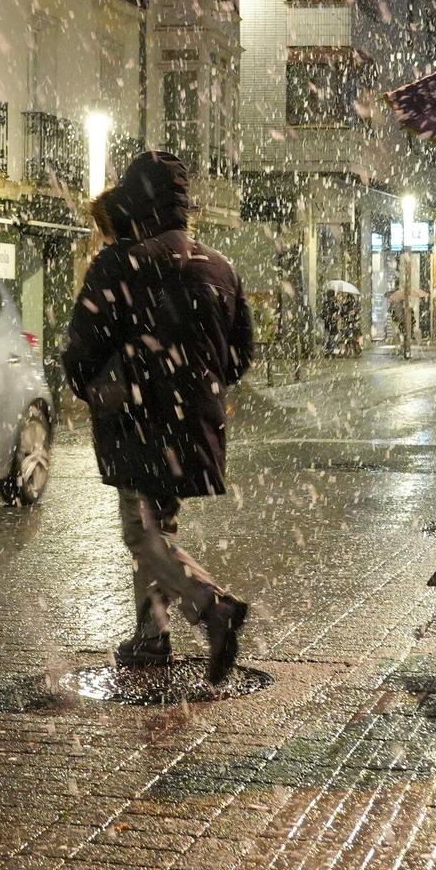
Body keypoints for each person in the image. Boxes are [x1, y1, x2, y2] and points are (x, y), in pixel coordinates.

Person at [62, 151, 255, 683]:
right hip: (193, 424)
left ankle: (210, 606)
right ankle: (150, 637)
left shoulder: (119, 264)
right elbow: (239, 357)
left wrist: (98, 387)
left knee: (141, 532)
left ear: (137, 202)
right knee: (156, 524)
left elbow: (82, 348)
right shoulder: (219, 267)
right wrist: (196, 388)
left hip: (137, 422)